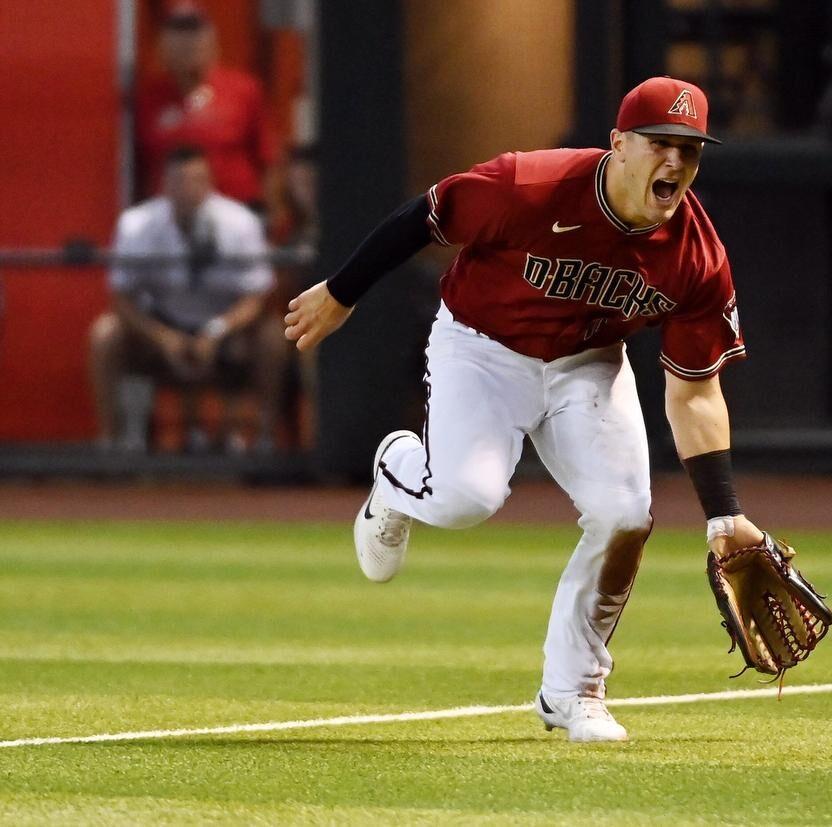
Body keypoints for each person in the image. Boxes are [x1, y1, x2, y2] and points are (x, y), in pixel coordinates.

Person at [283, 77, 767, 742]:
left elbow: (694, 390)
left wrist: (723, 511)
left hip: (587, 364)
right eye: (662, 143)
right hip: (483, 347)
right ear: (620, 144)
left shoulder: (696, 256)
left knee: (625, 514)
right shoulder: (530, 186)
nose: (677, 162)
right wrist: (342, 293)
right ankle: (398, 474)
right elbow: (425, 216)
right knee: (465, 497)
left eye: (691, 149)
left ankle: (574, 691)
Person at [90, 146, 287, 453]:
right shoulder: (136, 224)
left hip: (225, 327)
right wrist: (162, 337)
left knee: (273, 336)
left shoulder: (239, 222)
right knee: (105, 334)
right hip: (160, 326)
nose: (188, 189)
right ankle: (111, 444)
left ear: (209, 183)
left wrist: (217, 330)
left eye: (197, 180)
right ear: (164, 185)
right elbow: (121, 296)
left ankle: (265, 440)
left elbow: (257, 296)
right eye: (179, 181)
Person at [135, 1, 278, 208]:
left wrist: (267, 216)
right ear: (163, 43)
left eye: (196, 33)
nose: (188, 42)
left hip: (236, 215)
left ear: (211, 40)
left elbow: (268, 159)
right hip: (172, 220)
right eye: (179, 33)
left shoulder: (243, 90)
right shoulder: (148, 98)